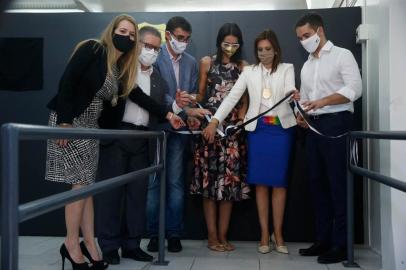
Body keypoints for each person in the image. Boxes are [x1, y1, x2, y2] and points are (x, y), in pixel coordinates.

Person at [45, 14, 183, 270]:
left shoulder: (119, 67)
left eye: (132, 35)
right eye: (124, 31)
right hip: (73, 122)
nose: (128, 37)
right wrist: (65, 122)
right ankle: (71, 244)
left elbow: (137, 95)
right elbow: (68, 81)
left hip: (92, 127)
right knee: (79, 186)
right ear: (112, 31)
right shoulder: (92, 49)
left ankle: (90, 244)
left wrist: (168, 113)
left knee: (86, 187)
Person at [203, 29, 299, 255]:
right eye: (260, 50)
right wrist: (215, 120)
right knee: (261, 184)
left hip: (281, 130)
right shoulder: (249, 72)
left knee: (279, 183)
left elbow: (288, 90)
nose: (264, 53)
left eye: (268, 49)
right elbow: (231, 98)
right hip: (258, 131)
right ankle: (265, 235)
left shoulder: (287, 69)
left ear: (275, 49)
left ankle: (279, 234)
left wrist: (293, 93)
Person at [95, 25, 185, 265]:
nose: (151, 51)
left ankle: (132, 244)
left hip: (143, 139)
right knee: (111, 196)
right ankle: (109, 247)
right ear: (137, 45)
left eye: (156, 48)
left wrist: (172, 111)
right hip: (116, 137)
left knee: (137, 197)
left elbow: (158, 107)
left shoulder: (157, 77)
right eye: (147, 46)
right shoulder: (121, 68)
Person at [295, 13, 362, 264]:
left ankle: (341, 244)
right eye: (300, 38)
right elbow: (303, 98)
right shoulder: (307, 64)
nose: (303, 41)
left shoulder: (342, 55)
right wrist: (301, 114)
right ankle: (323, 240)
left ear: (319, 31)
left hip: (337, 124)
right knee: (317, 185)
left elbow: (356, 88)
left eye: (306, 35)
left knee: (338, 185)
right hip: (313, 128)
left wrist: (323, 101)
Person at [190, 23, 249, 252]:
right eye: (227, 43)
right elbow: (202, 94)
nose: (231, 48)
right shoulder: (207, 62)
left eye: (235, 44)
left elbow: (244, 99)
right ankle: (212, 237)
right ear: (219, 42)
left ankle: (223, 236)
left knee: (228, 187)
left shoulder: (244, 66)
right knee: (209, 186)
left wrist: (241, 119)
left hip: (232, 132)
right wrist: (188, 101)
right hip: (209, 130)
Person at [146, 16, 200, 253]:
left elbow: (194, 92)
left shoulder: (191, 62)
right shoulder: (154, 58)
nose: (184, 42)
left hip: (181, 130)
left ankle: (174, 233)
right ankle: (153, 234)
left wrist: (193, 109)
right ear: (168, 35)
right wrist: (176, 106)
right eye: (179, 38)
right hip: (159, 127)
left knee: (176, 183)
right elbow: (156, 95)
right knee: (154, 183)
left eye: (187, 39)